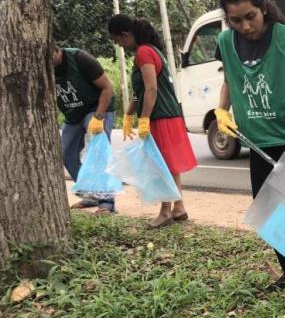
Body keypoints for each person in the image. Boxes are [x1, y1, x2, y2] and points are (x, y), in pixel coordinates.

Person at [213, 0, 285, 318]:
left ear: (262, 8)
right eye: (235, 20)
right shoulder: (226, 43)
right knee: (269, 216)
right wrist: (222, 109)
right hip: (255, 140)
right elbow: (230, 79)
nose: (245, 26)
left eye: (250, 16)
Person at [108, 14, 197, 228]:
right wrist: (129, 113)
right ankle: (179, 206)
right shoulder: (150, 51)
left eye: (118, 40)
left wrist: (145, 119)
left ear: (126, 34)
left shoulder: (143, 52)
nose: (119, 45)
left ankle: (165, 211)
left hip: (160, 116)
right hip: (168, 115)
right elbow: (139, 92)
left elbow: (151, 89)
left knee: (160, 165)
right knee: (168, 163)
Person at [53, 45, 117, 214]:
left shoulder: (80, 59)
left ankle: (106, 202)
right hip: (73, 115)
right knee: (67, 154)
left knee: (98, 152)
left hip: (96, 108)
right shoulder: (42, 67)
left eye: (49, 57)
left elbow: (107, 87)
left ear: (55, 50)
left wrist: (98, 117)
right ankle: (90, 195)